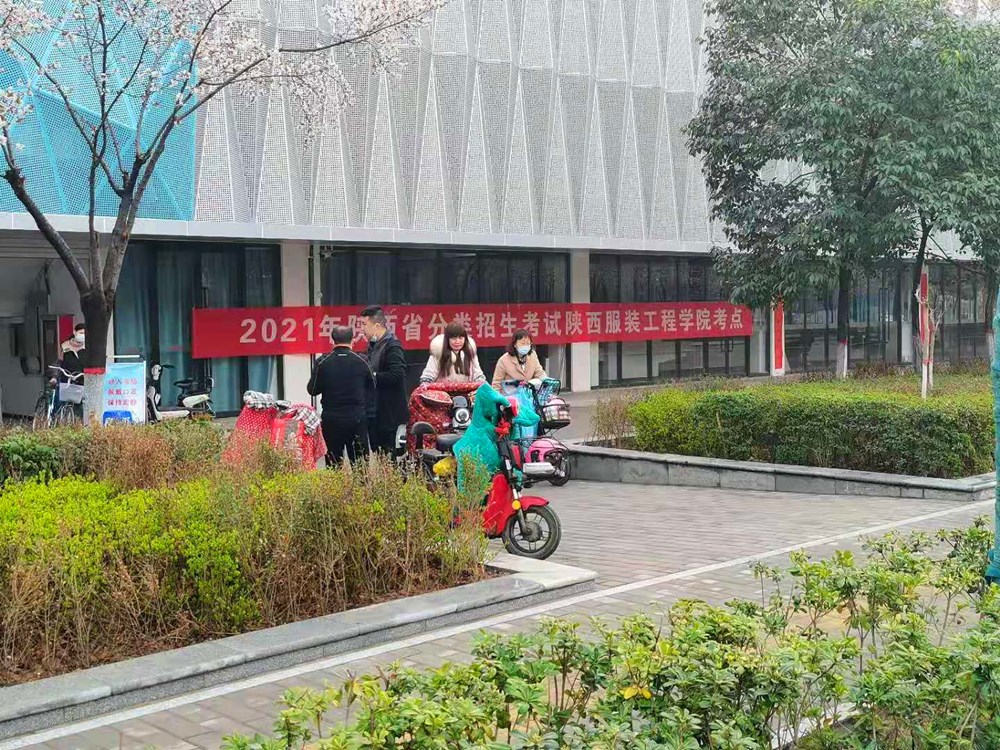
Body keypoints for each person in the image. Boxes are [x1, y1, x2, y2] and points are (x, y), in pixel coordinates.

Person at [307, 325, 374, 465]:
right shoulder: (362, 360)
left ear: (332, 341)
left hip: (332, 419)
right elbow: (373, 385)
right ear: (353, 340)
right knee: (360, 465)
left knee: (333, 464)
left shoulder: (322, 362)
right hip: (356, 418)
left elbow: (312, 390)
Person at [359, 305, 409, 454]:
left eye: (364, 324)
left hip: (390, 414)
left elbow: (397, 375)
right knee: (378, 453)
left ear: (376, 326)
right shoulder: (373, 345)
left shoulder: (392, 346)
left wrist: (372, 376)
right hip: (375, 411)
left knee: (389, 455)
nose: (362, 329)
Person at [419, 322, 486, 384]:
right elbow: (427, 376)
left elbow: (478, 375)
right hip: (442, 391)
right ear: (447, 339)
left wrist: (481, 382)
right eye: (453, 338)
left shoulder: (470, 353)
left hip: (466, 391)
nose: (457, 341)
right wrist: (426, 384)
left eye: (461, 338)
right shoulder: (438, 353)